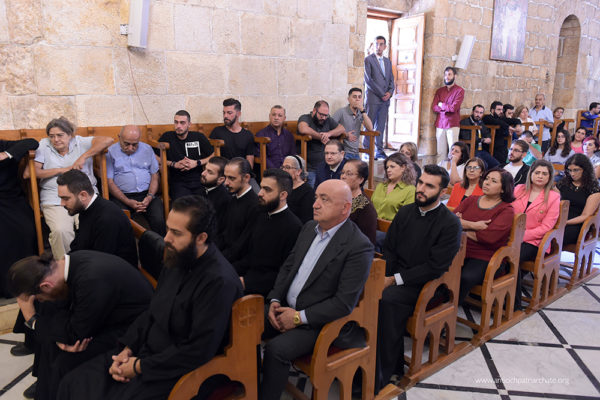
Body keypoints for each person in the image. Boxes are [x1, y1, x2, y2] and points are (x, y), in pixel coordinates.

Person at [57, 196, 243, 400]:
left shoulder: (219, 282)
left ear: (201, 238)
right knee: (73, 382)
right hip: (147, 353)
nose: (166, 238)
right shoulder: (177, 257)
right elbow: (152, 311)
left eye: (176, 233)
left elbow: (198, 350)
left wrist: (139, 367)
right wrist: (127, 349)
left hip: (182, 371)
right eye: (168, 229)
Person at [261, 179, 374, 400]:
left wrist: (297, 318)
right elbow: (288, 266)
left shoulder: (358, 246)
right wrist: (274, 299)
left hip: (318, 322)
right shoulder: (309, 228)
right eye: (316, 198)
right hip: (285, 307)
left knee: (277, 350)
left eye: (325, 199)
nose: (315, 204)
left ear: (345, 208)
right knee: (241, 325)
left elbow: (343, 303)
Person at [8, 250, 153, 400]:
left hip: (134, 331)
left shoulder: (92, 279)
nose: (41, 300)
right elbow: (71, 322)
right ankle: (46, 390)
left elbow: (75, 335)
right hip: (110, 317)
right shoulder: (71, 262)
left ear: (45, 285)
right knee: (51, 328)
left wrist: (32, 319)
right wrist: (61, 337)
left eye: (39, 298)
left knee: (63, 361)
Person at [376, 165, 461, 391]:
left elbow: (435, 267)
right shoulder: (406, 212)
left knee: (387, 300)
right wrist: (386, 275)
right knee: (365, 292)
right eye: (420, 183)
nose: (421, 189)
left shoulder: (450, 223)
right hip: (396, 276)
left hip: (426, 284)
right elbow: (389, 248)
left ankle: (385, 374)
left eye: (429, 186)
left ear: (443, 192)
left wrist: (394, 280)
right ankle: (366, 361)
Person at [29, 117, 113, 260]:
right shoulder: (44, 145)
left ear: (70, 135)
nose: (55, 140)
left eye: (60, 135)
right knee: (61, 231)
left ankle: (91, 262)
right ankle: (67, 265)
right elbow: (30, 173)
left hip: (83, 196)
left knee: (92, 227)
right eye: (52, 136)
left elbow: (108, 140)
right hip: (55, 198)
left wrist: (84, 156)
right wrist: (62, 170)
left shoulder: (80, 142)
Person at [232, 169, 302, 297]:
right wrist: (230, 271)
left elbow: (284, 273)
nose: (260, 193)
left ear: (283, 195)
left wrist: (246, 282)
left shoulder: (294, 227)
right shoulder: (259, 213)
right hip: (245, 277)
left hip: (264, 292)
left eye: (267, 190)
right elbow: (247, 254)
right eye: (261, 187)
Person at [454, 168, 515, 304]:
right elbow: (450, 221)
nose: (487, 183)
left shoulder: (506, 210)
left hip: (486, 256)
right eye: (487, 179)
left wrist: (461, 226)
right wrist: (473, 225)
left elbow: (488, 237)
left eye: (493, 181)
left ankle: (449, 307)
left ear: (503, 189)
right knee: (442, 271)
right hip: (459, 249)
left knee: (464, 277)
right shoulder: (471, 200)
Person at [57, 170, 138, 267]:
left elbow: (102, 263)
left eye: (66, 198)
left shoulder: (107, 219)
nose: (61, 204)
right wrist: (64, 262)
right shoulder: (85, 208)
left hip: (116, 272)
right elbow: (80, 245)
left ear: (83, 195)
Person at [512, 160, 560, 310]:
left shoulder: (553, 197)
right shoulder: (519, 189)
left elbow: (546, 227)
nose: (540, 176)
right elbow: (507, 211)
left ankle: (515, 304)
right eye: (537, 172)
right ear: (531, 174)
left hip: (534, 241)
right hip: (511, 234)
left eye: (544, 174)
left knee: (512, 258)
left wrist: (521, 236)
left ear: (549, 177)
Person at [106, 125, 165, 236]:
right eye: (126, 144)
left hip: (147, 195)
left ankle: (161, 245)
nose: (130, 148)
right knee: (120, 222)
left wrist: (149, 197)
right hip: (121, 197)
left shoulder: (147, 149)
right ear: (119, 137)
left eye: (135, 144)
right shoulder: (110, 152)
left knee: (159, 220)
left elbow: (155, 176)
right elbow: (109, 182)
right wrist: (127, 201)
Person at [0, 138, 39, 298]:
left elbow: (32, 142)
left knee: (24, 230)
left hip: (10, 198)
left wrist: (6, 154)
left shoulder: (4, 145)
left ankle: (23, 283)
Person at [158, 110, 214, 200]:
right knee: (184, 204)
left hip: (198, 180)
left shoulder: (198, 137)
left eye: (182, 123)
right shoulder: (167, 136)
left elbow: (213, 155)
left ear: (189, 124)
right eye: (176, 122)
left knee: (203, 203)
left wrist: (197, 163)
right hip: (178, 182)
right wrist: (173, 164)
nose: (178, 126)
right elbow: (154, 156)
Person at [218, 158, 259, 260]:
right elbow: (224, 233)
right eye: (225, 177)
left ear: (246, 178)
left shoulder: (255, 206)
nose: (226, 183)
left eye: (231, 178)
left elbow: (243, 245)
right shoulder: (232, 198)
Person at [297, 100, 345, 187]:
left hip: (327, 166)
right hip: (310, 167)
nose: (323, 118)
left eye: (326, 115)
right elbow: (303, 129)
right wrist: (320, 137)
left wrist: (329, 134)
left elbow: (341, 128)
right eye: (321, 115)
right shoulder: (305, 118)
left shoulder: (327, 120)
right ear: (314, 111)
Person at [558, 154, 600, 246]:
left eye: (576, 170)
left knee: (557, 235)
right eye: (570, 170)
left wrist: (565, 223)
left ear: (585, 170)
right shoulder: (563, 183)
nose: (572, 174)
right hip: (559, 218)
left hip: (578, 224)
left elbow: (585, 215)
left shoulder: (593, 189)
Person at [364, 36, 395, 159]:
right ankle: (367, 151)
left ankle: (379, 150)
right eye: (376, 44)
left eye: (381, 44)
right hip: (373, 99)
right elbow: (369, 80)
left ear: (385, 47)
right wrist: (382, 94)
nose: (378, 47)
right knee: (369, 125)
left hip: (385, 101)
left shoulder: (388, 62)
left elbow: (391, 79)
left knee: (381, 126)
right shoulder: (368, 60)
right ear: (373, 45)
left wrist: (390, 93)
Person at [432, 67, 465, 163]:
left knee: (453, 151)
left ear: (455, 76)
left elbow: (454, 108)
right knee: (440, 152)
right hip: (440, 124)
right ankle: (439, 170)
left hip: (452, 124)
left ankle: (452, 170)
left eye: (449, 74)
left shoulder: (460, 91)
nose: (447, 77)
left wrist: (441, 105)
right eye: (446, 74)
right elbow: (434, 107)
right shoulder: (440, 91)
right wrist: (446, 108)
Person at [340, 160, 377, 245]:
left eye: (349, 174)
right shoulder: (340, 197)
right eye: (342, 173)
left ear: (361, 179)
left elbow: (367, 242)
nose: (343, 176)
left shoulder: (365, 207)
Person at [210, 98, 255, 166]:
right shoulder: (217, 131)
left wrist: (246, 172)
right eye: (224, 113)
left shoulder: (248, 135)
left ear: (238, 114)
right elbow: (210, 157)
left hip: (240, 171)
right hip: (222, 170)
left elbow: (250, 162)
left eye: (229, 113)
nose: (225, 116)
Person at [371, 152, 416, 221]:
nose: (388, 170)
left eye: (392, 167)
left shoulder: (410, 190)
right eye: (387, 167)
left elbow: (406, 217)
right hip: (373, 224)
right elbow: (371, 207)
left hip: (392, 226)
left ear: (403, 167)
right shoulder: (381, 186)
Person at [332, 87, 374, 160]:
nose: (357, 99)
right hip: (344, 152)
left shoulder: (361, 113)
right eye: (354, 97)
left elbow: (370, 128)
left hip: (356, 153)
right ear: (348, 99)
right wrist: (345, 134)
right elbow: (330, 127)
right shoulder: (341, 112)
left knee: (362, 167)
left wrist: (363, 111)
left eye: (359, 97)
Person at [459, 104, 500, 168]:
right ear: (472, 112)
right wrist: (482, 140)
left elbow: (486, 132)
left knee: (496, 164)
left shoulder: (480, 122)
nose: (478, 115)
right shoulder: (465, 122)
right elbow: (466, 136)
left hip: (481, 150)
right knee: (484, 165)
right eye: (477, 112)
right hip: (471, 150)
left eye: (481, 113)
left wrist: (489, 138)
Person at [201, 156, 232, 237]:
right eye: (205, 169)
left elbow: (219, 229)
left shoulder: (225, 199)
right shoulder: (204, 187)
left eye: (209, 172)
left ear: (220, 180)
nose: (203, 173)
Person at [282, 155, 315, 224]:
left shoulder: (307, 192)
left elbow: (306, 220)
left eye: (287, 167)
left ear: (298, 171)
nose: (284, 170)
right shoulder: (282, 187)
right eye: (283, 167)